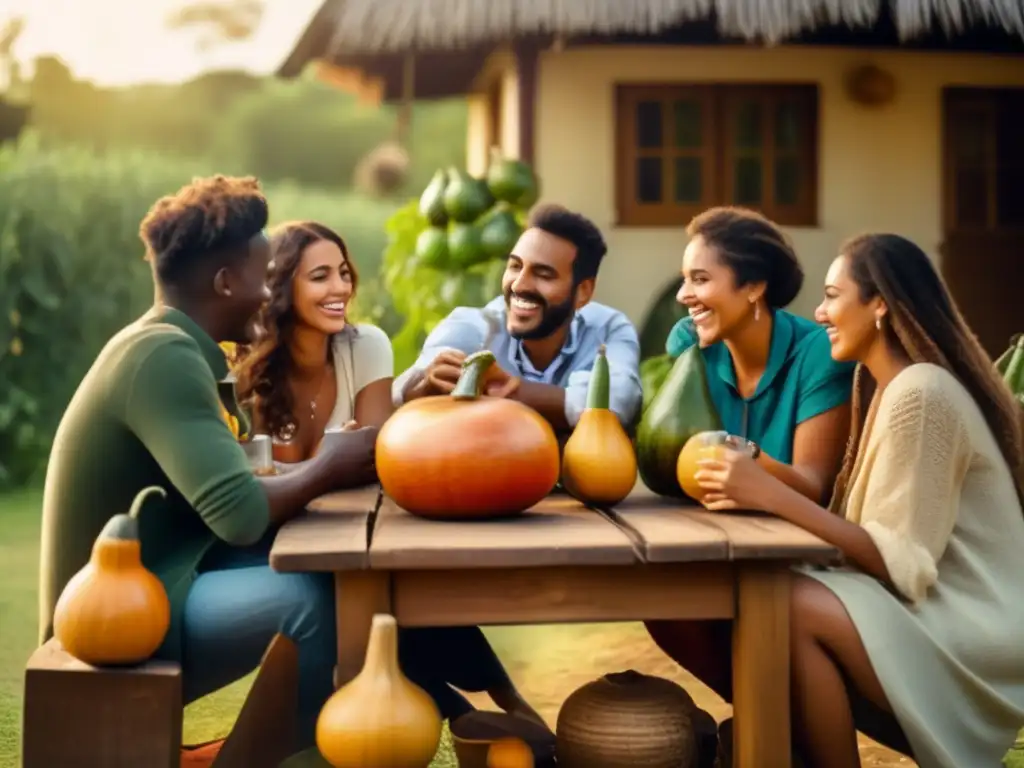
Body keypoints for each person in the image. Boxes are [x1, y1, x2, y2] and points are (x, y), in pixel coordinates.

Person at [37, 176, 378, 757]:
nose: (272, 297)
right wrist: (330, 466)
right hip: (115, 616)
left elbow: (238, 489)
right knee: (311, 603)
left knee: (339, 574)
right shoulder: (162, 358)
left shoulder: (178, 349)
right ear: (225, 282)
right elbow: (241, 517)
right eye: (266, 278)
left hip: (169, 574)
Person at [692, 233, 1024, 767]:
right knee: (764, 596)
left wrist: (768, 492)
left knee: (794, 606)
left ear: (879, 306)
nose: (819, 312)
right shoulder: (887, 389)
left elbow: (902, 563)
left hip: (973, 627)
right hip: (935, 612)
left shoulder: (922, 393)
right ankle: (784, 743)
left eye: (831, 295)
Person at [232, 220, 546, 727]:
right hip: (270, 547)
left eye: (343, 273)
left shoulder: (365, 346)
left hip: (345, 532)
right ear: (282, 287)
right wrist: (334, 461)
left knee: (395, 589)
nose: (340, 289)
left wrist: (324, 466)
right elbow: (253, 483)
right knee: (370, 601)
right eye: (319, 277)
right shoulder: (246, 366)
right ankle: (483, 720)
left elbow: (378, 453)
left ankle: (506, 707)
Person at [645, 206, 856, 696]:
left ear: (753, 286)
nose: (683, 296)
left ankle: (772, 727)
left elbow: (812, 485)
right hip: (709, 537)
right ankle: (766, 717)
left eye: (700, 279)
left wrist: (742, 460)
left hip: (794, 552)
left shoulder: (817, 354)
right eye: (684, 279)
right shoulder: (689, 342)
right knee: (661, 603)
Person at [392, 203, 643, 436]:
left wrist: (510, 390)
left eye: (543, 275)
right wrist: (425, 385)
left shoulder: (608, 329)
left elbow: (619, 402)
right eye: (515, 267)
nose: (520, 285)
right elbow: (400, 393)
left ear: (583, 291)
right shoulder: (471, 325)